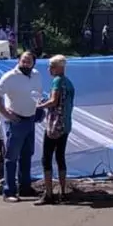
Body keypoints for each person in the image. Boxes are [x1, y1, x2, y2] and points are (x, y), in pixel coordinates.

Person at [0, 51, 43, 202]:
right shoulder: (10, 76)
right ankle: (9, 191)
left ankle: (25, 187)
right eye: (23, 60)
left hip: (30, 119)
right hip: (16, 120)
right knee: (11, 157)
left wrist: (39, 107)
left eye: (29, 61)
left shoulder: (36, 74)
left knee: (27, 155)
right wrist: (6, 114)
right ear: (18, 61)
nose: (26, 63)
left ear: (33, 63)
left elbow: (37, 94)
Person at [36, 55, 76, 205]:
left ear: (58, 67)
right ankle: (63, 192)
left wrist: (39, 106)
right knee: (60, 157)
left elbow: (54, 101)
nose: (49, 69)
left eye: (51, 66)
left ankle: (48, 194)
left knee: (46, 158)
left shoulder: (57, 81)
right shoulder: (69, 82)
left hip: (55, 125)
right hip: (66, 124)